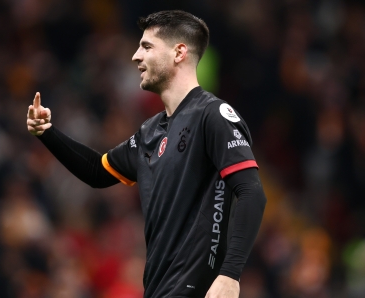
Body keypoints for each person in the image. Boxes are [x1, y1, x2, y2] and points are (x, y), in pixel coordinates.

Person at [27, 10, 266, 298]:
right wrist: (47, 132)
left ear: (179, 52)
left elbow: (252, 192)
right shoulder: (150, 132)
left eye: (147, 46)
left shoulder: (212, 116)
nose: (135, 56)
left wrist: (230, 275)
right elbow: (96, 171)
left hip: (197, 289)